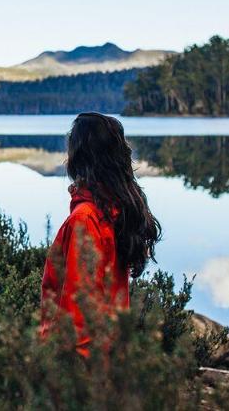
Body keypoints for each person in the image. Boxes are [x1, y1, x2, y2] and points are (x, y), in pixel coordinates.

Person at [40, 112, 161, 355]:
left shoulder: (86, 219)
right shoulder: (117, 211)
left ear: (79, 157)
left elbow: (79, 313)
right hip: (109, 357)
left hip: (81, 370)